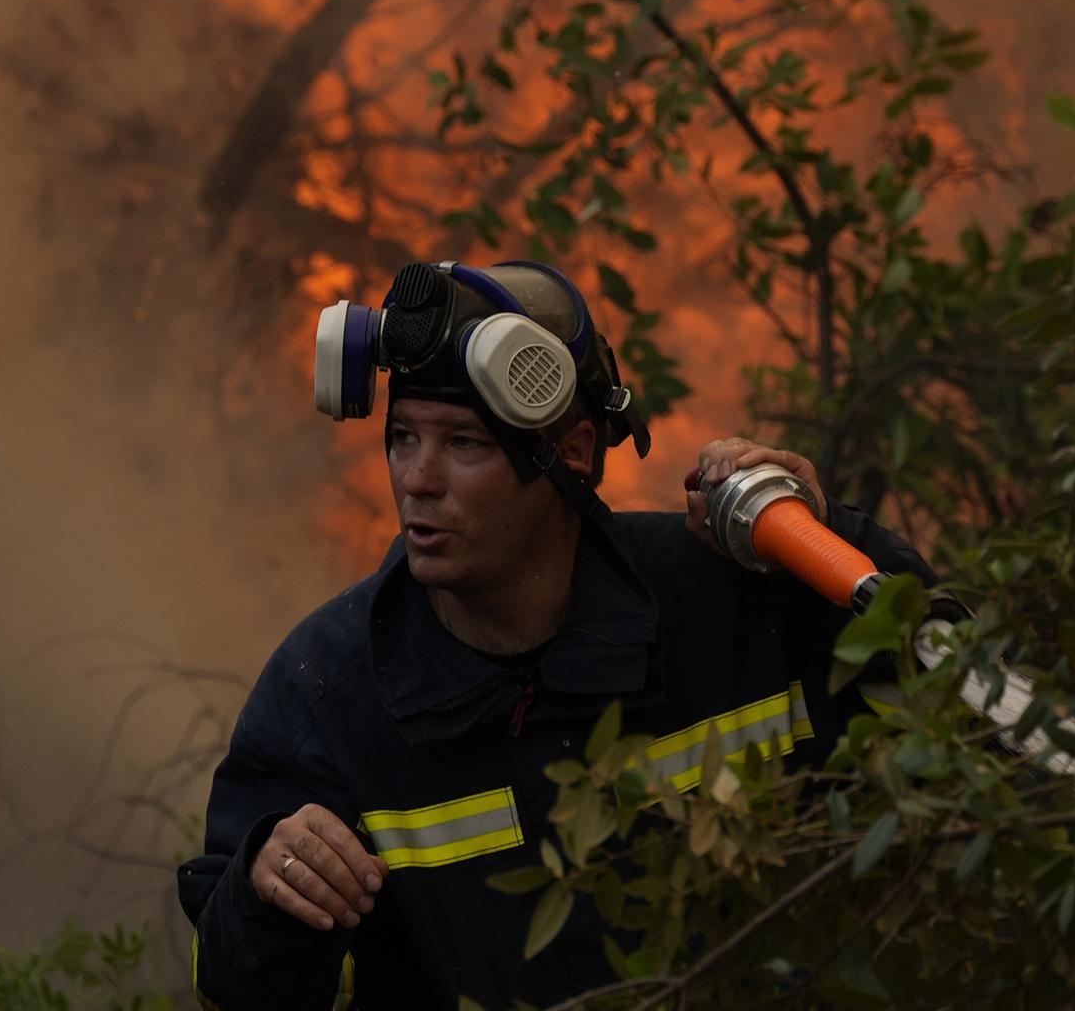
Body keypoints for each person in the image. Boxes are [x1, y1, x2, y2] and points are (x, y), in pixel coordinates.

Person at [179, 259, 937, 1009]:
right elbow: (240, 988)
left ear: (572, 451)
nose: (418, 477)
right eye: (404, 436)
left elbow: (940, 689)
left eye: (465, 444)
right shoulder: (329, 691)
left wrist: (818, 538)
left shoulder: (735, 608)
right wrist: (266, 891)